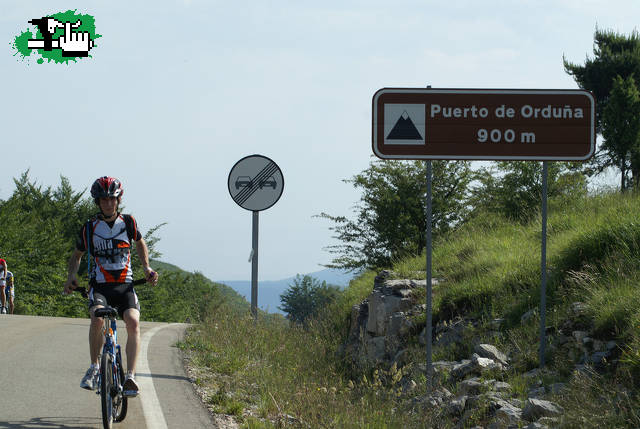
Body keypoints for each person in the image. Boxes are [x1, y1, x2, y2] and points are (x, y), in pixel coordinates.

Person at [63, 176, 158, 394]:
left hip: (125, 286)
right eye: (103, 200)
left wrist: (147, 268)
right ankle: (95, 367)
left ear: (118, 200)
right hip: (100, 287)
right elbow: (76, 256)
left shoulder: (128, 223)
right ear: (97, 202)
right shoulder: (90, 228)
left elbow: (140, 242)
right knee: (97, 319)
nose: (108, 203)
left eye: (112, 199)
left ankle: (130, 378)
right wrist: (71, 276)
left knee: (133, 322)